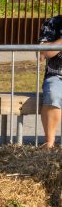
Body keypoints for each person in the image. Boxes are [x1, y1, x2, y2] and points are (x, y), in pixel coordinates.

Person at [38, 14, 62, 147]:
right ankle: (49, 143)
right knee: (54, 94)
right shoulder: (53, 23)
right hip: (57, 75)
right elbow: (43, 53)